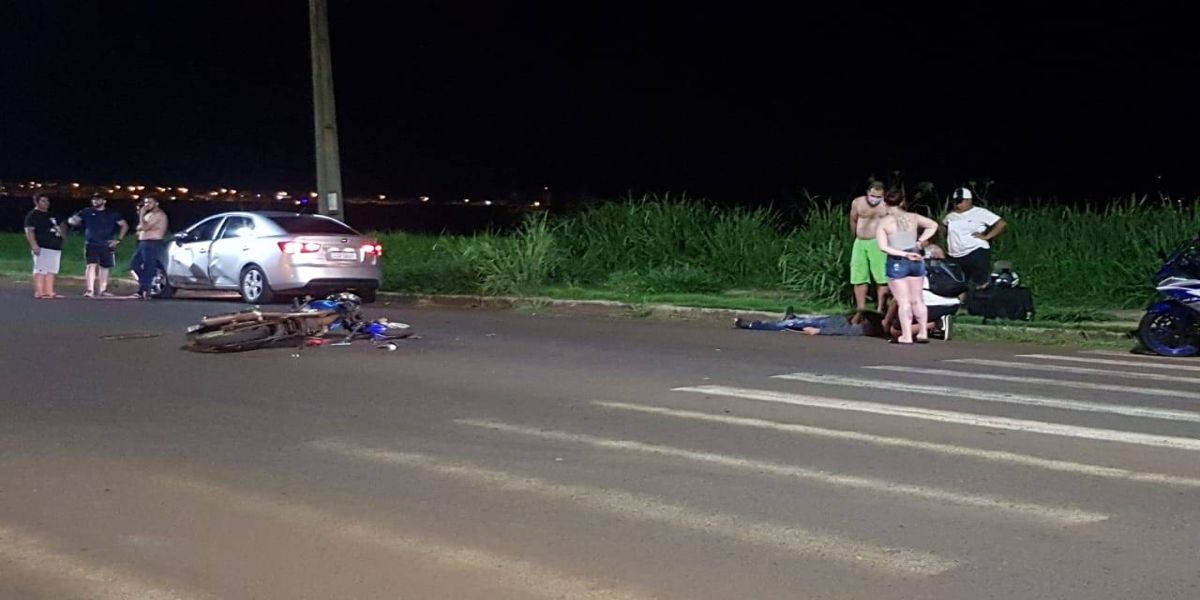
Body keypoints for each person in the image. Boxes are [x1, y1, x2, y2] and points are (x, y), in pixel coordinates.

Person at [876, 189, 938, 344]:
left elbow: (883, 247)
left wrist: (904, 254)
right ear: (902, 202)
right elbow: (933, 225)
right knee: (918, 299)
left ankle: (906, 335)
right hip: (916, 258)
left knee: (903, 301)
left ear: (885, 203)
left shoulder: (884, 223)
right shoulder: (913, 217)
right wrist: (919, 241)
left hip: (898, 260)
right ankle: (923, 331)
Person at [883, 244, 960, 340]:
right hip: (953, 306)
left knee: (895, 331)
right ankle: (937, 326)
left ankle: (937, 324)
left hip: (931, 306)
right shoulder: (948, 267)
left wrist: (886, 321)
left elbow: (896, 299)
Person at [943, 187, 1006, 289]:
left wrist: (987, 237)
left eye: (960, 202)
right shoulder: (951, 216)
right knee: (958, 282)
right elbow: (943, 227)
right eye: (956, 202)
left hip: (975, 250)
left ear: (969, 200)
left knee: (980, 281)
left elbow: (1001, 224)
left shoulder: (980, 212)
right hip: (955, 254)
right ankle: (961, 303)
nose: (958, 205)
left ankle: (982, 302)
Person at [69, 193, 129, 297]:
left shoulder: (112, 213)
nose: (95, 201)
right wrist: (72, 221)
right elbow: (74, 220)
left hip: (106, 244)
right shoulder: (87, 212)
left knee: (104, 267)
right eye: (94, 200)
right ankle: (90, 290)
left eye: (98, 199)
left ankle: (102, 290)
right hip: (91, 243)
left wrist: (118, 239)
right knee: (91, 265)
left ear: (104, 201)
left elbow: (124, 225)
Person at [848, 181, 891, 313]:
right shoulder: (857, 202)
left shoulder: (886, 205)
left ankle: (880, 308)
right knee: (859, 276)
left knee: (882, 277)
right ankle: (861, 308)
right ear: (868, 192)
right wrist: (854, 236)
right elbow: (853, 220)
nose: (875, 199)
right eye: (873, 195)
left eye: (879, 196)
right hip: (860, 242)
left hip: (878, 242)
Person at [734, 308, 886, 337]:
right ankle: (793, 318)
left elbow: (841, 331)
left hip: (826, 326)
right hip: (830, 320)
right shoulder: (859, 320)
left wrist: (818, 332)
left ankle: (753, 325)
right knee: (800, 321)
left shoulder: (861, 330)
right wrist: (859, 314)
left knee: (788, 326)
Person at [23, 194, 65, 299]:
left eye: (47, 201)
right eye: (43, 201)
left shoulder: (51, 215)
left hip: (55, 247)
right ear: (37, 202)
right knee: (40, 269)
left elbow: (61, 226)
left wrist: (63, 235)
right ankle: (40, 292)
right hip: (42, 246)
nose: (46, 203)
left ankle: (49, 291)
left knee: (51, 270)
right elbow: (29, 231)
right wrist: (34, 245)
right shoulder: (32, 215)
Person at [131, 196, 168, 300]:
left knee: (148, 266)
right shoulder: (149, 215)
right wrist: (142, 220)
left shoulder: (159, 215)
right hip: (143, 242)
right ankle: (144, 285)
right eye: (146, 202)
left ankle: (144, 289)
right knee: (134, 265)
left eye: (150, 202)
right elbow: (139, 227)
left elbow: (144, 227)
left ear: (157, 203)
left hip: (153, 242)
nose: (147, 205)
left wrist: (142, 214)